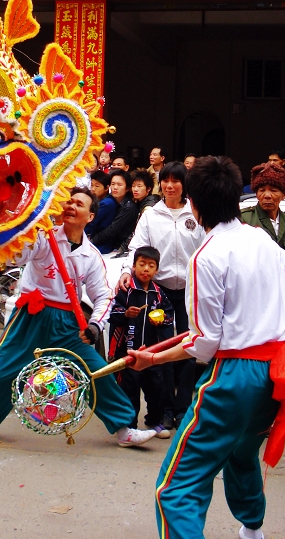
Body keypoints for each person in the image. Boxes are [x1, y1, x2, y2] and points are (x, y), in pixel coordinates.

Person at [128, 155, 285, 539]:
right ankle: (252, 530)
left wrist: (154, 357)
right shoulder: (261, 239)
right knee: (241, 452)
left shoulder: (206, 256)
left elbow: (204, 342)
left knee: (176, 488)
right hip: (275, 374)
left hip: (235, 377)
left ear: (194, 204)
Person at [0, 187, 156, 448]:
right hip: (30, 317)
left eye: (79, 204)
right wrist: (20, 229)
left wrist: (95, 326)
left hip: (67, 325)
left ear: (90, 216)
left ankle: (124, 429)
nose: (71, 206)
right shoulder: (44, 236)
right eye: (69, 202)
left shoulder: (91, 255)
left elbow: (103, 296)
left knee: (97, 372)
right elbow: (19, 256)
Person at [119, 161, 204, 429]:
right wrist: (126, 270)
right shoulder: (151, 215)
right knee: (164, 348)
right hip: (161, 292)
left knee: (190, 348)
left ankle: (183, 410)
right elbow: (136, 248)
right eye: (165, 180)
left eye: (176, 181)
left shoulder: (196, 213)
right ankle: (166, 410)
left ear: (184, 184)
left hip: (190, 291)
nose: (170, 186)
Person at [109, 246, 174, 438]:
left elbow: (169, 315)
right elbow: (112, 313)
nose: (146, 269)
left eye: (151, 265)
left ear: (157, 270)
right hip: (128, 351)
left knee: (156, 388)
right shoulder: (126, 290)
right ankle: (130, 427)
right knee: (129, 390)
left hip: (151, 352)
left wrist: (161, 320)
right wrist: (126, 314)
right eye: (142, 264)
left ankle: (154, 422)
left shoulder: (158, 293)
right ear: (134, 266)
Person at [240, 162, 285, 257]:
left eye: (273, 190)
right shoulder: (243, 219)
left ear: (284, 195)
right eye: (262, 190)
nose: (267, 195)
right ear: (257, 194)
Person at [112, 170, 160, 258]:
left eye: (139, 186)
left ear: (148, 189)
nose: (135, 189)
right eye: (133, 186)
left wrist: (121, 249)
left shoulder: (149, 207)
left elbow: (137, 231)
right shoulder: (139, 202)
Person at [90, 170, 139, 254]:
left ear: (127, 188)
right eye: (113, 184)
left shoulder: (128, 207)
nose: (115, 187)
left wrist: (91, 242)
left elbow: (112, 230)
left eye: (119, 185)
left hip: (120, 248)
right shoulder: (113, 200)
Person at [85, 170, 117, 239]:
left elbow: (91, 223)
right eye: (92, 185)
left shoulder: (106, 203)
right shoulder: (103, 200)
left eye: (97, 186)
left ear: (106, 188)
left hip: (101, 240)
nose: (93, 189)